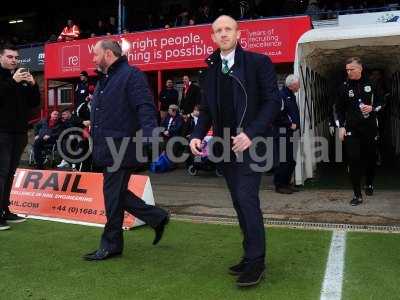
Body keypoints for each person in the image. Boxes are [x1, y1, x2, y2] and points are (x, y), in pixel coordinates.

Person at [190, 15, 281, 287]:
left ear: (239, 34)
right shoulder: (210, 69)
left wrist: (250, 133)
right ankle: (249, 253)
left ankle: (256, 262)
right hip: (224, 146)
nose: (224, 33)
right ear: (213, 37)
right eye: (218, 30)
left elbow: (272, 102)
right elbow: (206, 110)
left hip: (250, 144)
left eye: (228, 29)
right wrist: (196, 135)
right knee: (239, 202)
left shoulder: (258, 62)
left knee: (247, 199)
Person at [84, 39, 169, 261]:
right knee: (116, 194)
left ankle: (111, 244)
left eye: (95, 54)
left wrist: (152, 137)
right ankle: (157, 217)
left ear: (109, 54)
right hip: (106, 148)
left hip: (122, 148)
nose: (93, 59)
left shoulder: (132, 75)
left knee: (112, 197)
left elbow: (145, 107)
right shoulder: (105, 79)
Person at [0, 44, 40, 230]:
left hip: (19, 133)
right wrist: (12, 82)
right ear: (1, 57)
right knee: (1, 173)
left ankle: (5, 210)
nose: (13, 60)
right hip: (2, 133)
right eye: (9, 57)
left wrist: (33, 85)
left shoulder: (21, 77)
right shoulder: (9, 79)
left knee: (10, 173)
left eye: (15, 57)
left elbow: (34, 103)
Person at [335, 57, 382, 206]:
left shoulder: (372, 84)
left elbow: (383, 102)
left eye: (352, 69)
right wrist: (340, 127)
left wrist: (373, 108)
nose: (349, 72)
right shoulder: (343, 87)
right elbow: (338, 109)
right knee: (354, 160)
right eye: (347, 70)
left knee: (370, 159)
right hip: (352, 130)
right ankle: (357, 194)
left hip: (369, 129)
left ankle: (369, 183)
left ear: (360, 68)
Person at [273, 74, 301, 194]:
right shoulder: (281, 96)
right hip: (282, 132)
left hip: (290, 133)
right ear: (292, 85)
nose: (299, 87)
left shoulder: (291, 96)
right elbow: (276, 115)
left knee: (290, 160)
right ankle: (280, 185)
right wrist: (289, 124)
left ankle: (286, 183)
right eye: (298, 85)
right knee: (284, 160)